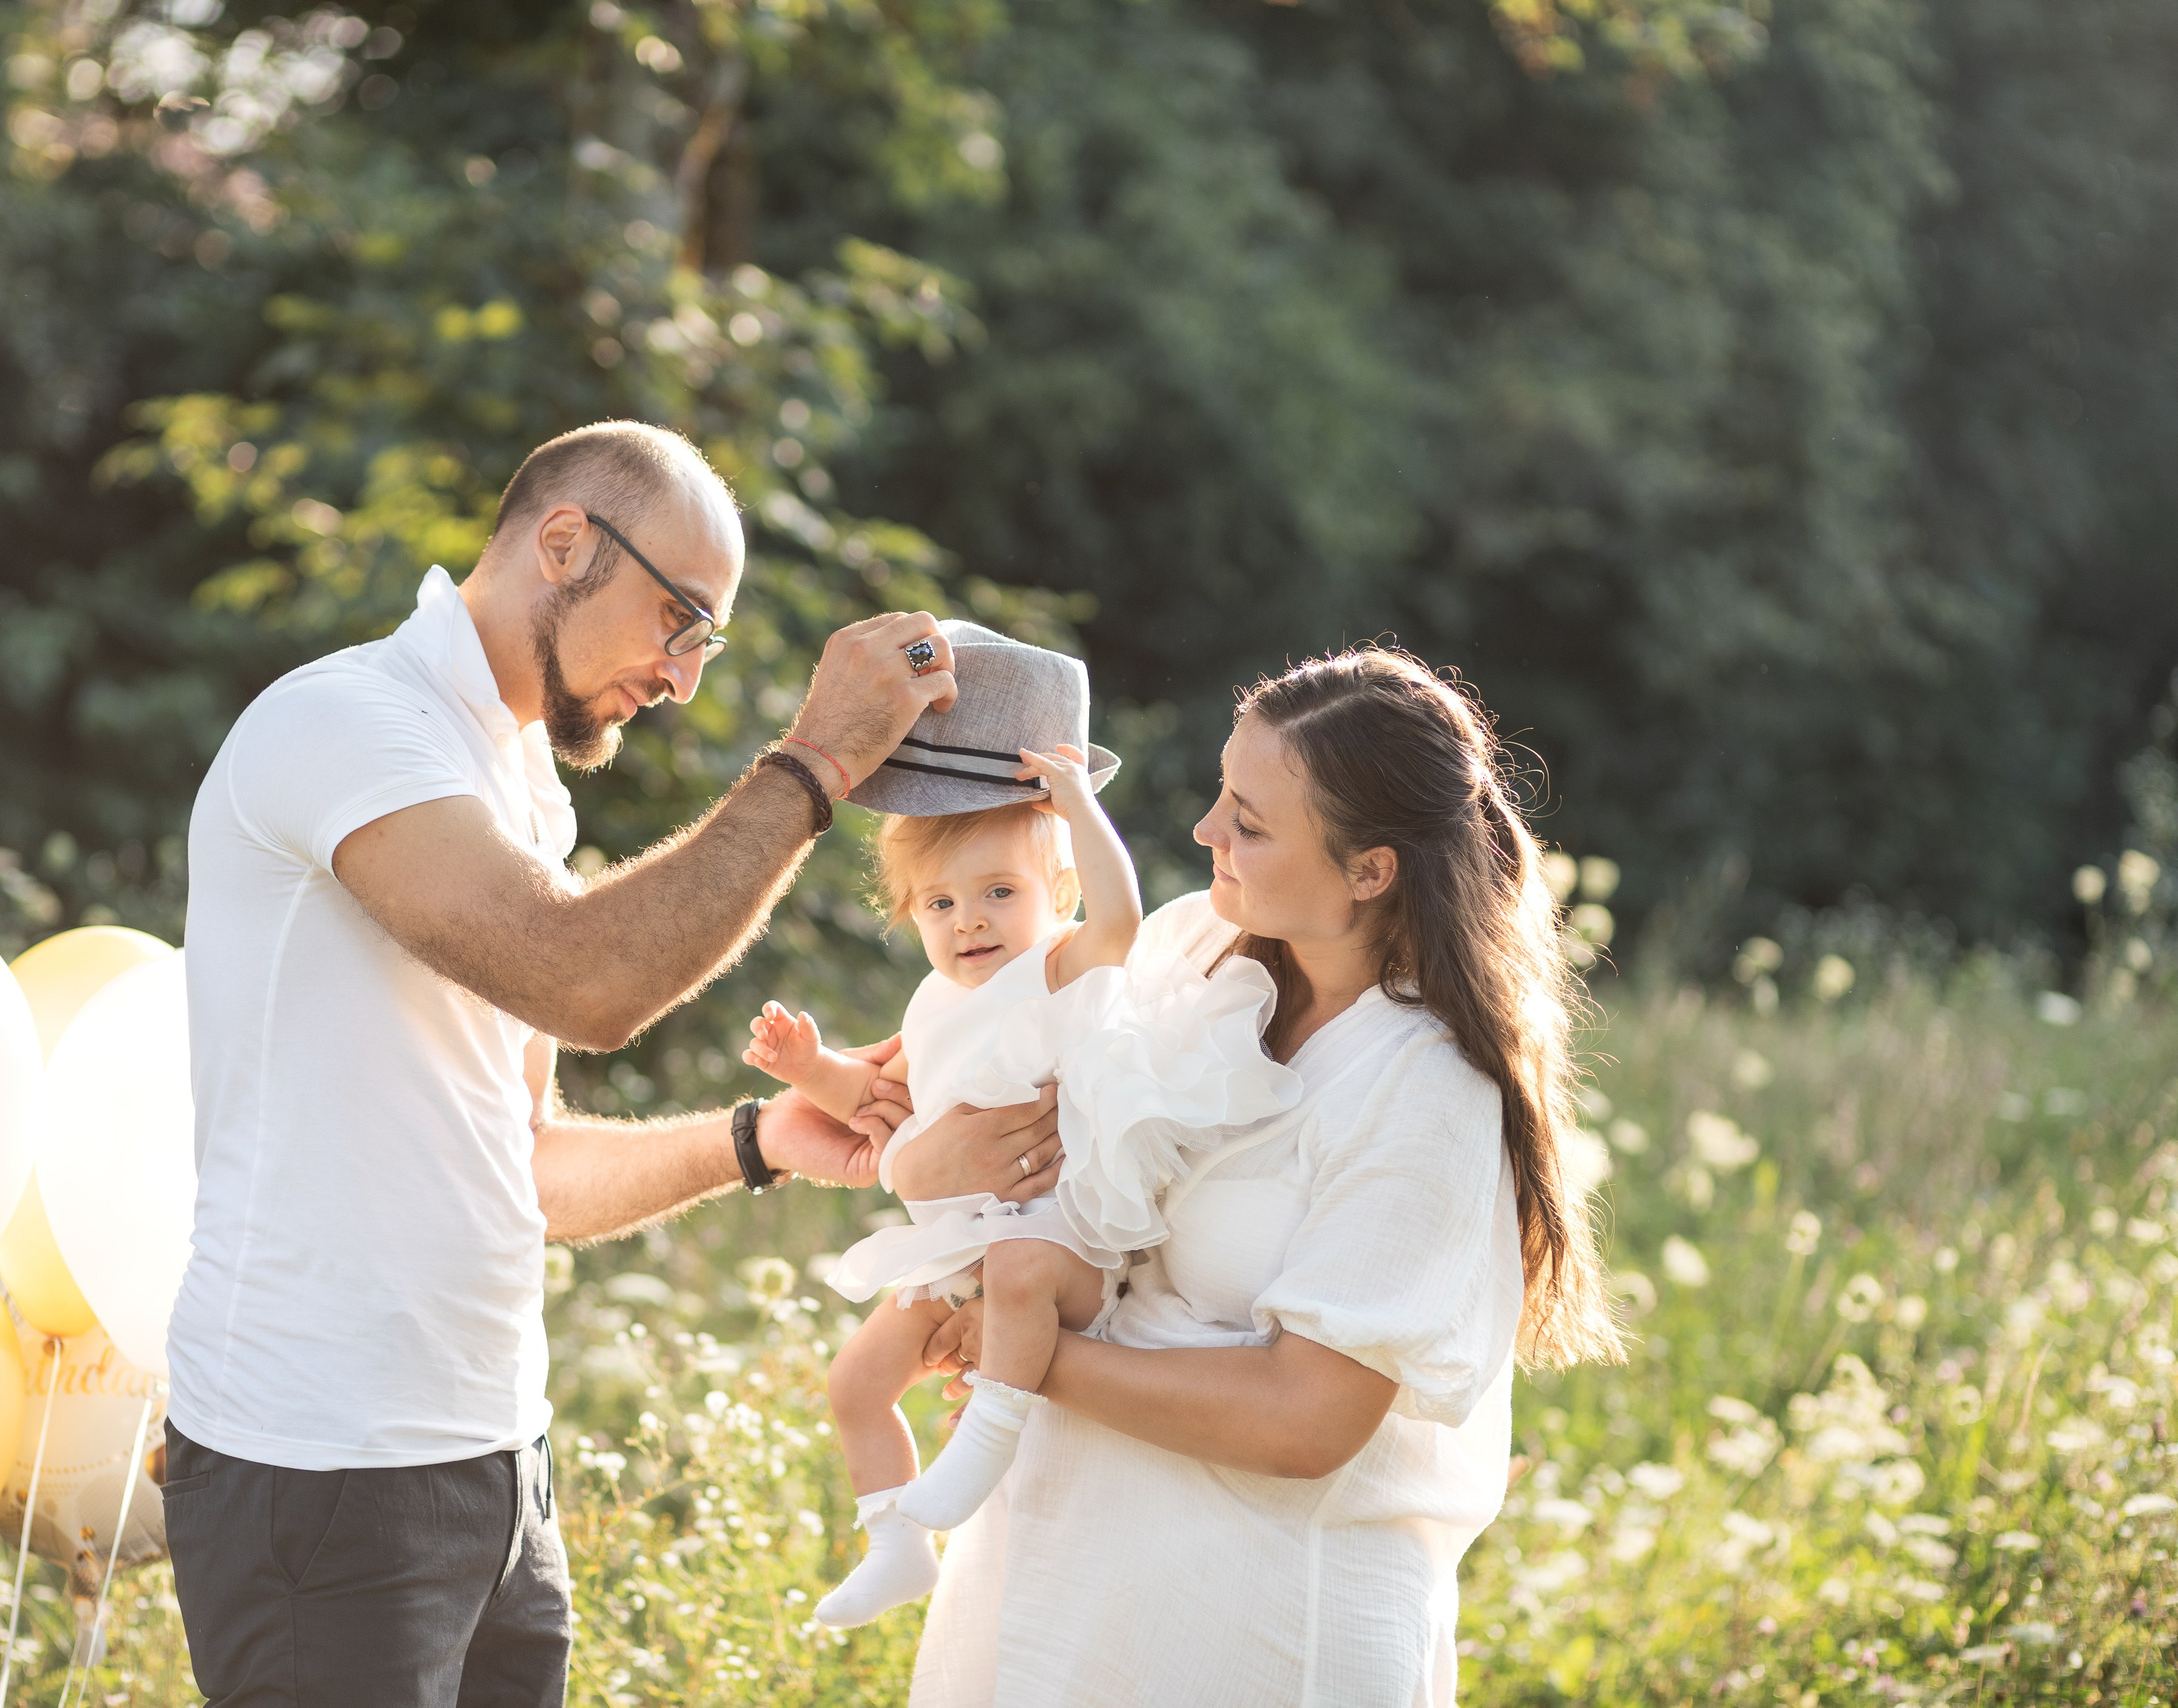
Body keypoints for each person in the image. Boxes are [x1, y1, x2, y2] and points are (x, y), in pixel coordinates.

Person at [159, 421, 1061, 1708]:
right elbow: (585, 979)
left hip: (493, 1458)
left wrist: (756, 1139)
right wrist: (818, 761)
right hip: (323, 1466)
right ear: (566, 542)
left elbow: (525, 1165)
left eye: (705, 637)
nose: (685, 675)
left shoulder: (516, 776)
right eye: (679, 617)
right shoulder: (347, 726)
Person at [905, 647, 1627, 1708]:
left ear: (1368, 869)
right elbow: (979, 1097)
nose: (1205, 832)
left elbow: (1305, 1418)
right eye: (1219, 792)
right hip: (1052, 1596)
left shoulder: (1424, 1088)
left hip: (1251, 1630)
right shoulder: (1188, 948)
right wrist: (917, 1159)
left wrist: (1025, 1360)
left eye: (1248, 819)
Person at [743, 624, 1299, 1628]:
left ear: (1051, 897)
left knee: (1018, 1276)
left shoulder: (1050, 971)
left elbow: (1121, 922)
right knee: (856, 1378)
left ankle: (985, 1437)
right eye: (941, 903)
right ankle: (892, 1537)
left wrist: (1076, 804)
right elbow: (890, 1107)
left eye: (999, 893)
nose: (968, 921)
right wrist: (809, 1070)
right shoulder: (934, 1002)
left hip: (1052, 1244)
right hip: (956, 1244)